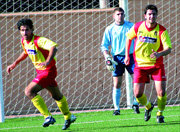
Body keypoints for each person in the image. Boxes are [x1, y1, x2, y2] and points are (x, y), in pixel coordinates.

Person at [6, 18, 76, 130]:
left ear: (32, 29)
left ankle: (47, 117)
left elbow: (54, 47)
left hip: (48, 71)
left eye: (27, 30)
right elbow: (26, 52)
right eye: (22, 30)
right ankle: (68, 116)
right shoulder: (24, 41)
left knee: (29, 91)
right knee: (56, 96)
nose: (25, 32)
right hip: (41, 72)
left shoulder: (39, 40)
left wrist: (47, 61)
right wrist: (15, 63)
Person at [124, 4, 172, 123]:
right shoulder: (138, 26)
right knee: (137, 94)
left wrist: (159, 54)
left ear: (157, 15)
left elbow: (168, 48)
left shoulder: (161, 30)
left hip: (156, 65)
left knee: (161, 92)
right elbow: (128, 38)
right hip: (140, 65)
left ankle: (160, 113)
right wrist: (126, 56)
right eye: (149, 14)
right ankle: (148, 106)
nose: (152, 16)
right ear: (145, 16)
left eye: (154, 14)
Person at [100, 7, 140, 115]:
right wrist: (107, 57)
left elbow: (139, 40)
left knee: (137, 81)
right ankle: (116, 108)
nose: (120, 16)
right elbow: (104, 45)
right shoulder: (109, 29)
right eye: (118, 14)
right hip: (117, 58)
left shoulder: (131, 26)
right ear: (113, 16)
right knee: (117, 83)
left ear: (124, 15)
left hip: (131, 57)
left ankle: (135, 104)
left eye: (122, 14)